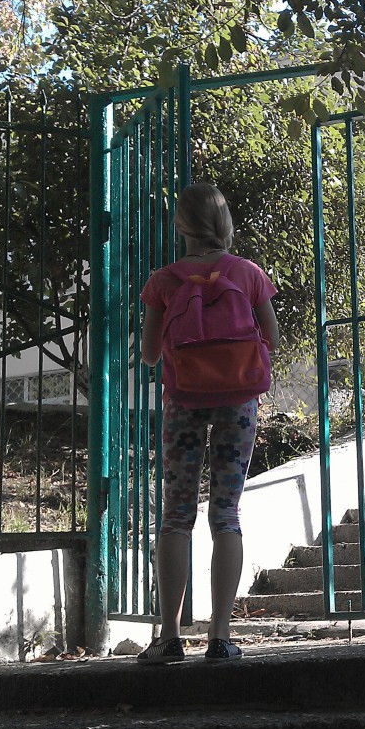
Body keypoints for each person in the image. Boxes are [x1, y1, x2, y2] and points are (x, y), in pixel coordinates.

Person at [137, 183, 280, 664]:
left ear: (181, 225)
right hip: (238, 403)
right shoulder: (248, 273)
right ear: (224, 223)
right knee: (226, 514)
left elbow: (150, 354)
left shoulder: (163, 281)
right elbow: (273, 337)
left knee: (177, 514)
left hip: (184, 403)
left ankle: (169, 637)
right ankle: (220, 637)